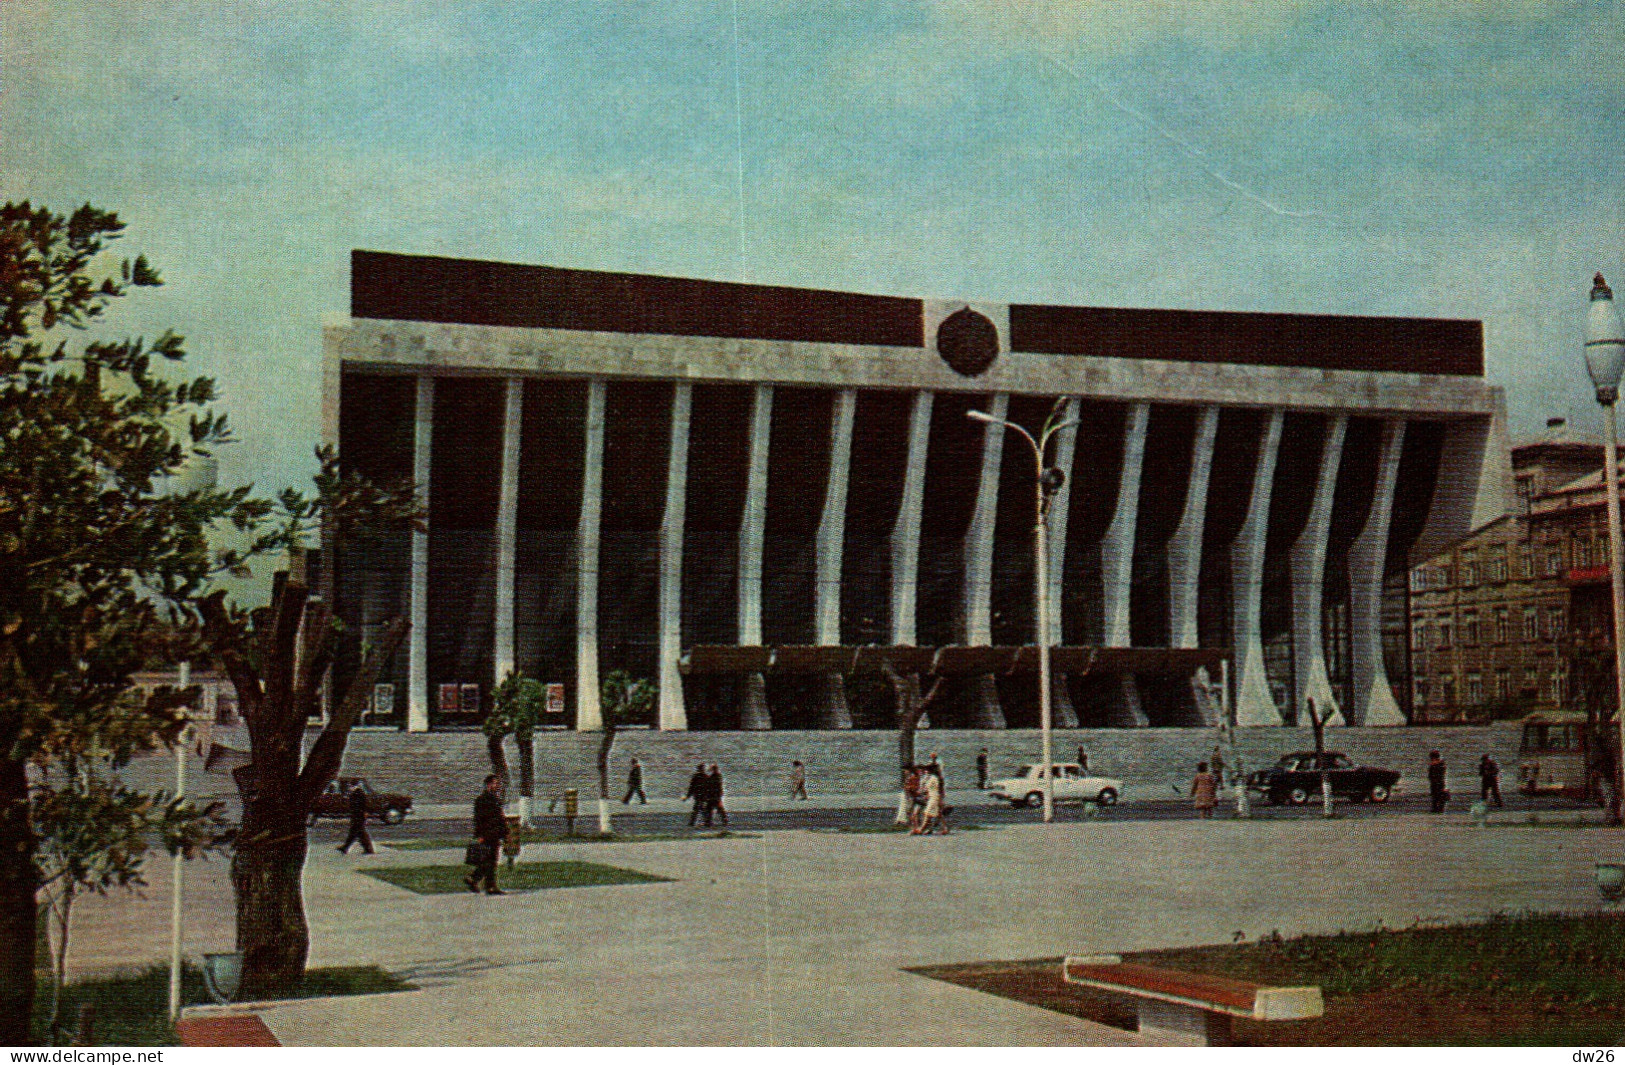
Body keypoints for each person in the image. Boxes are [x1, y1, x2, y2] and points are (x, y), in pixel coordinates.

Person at [466, 773, 507, 895]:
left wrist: (505, 832)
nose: (498, 786)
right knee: (489, 860)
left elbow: (499, 818)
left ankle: (476, 880)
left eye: (498, 783)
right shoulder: (482, 800)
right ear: (488, 785)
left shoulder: (495, 799)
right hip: (487, 835)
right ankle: (487, 885)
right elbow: (478, 819)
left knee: (490, 860)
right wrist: (480, 836)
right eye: (496, 783)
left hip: (494, 834)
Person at [338, 781, 374, 855]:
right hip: (356, 815)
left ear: (353, 786)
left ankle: (368, 849)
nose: (349, 789)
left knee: (358, 832)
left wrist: (364, 813)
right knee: (356, 832)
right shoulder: (355, 793)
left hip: (359, 815)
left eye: (350, 787)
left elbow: (363, 804)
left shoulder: (359, 793)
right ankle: (346, 847)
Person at [919, 765, 948, 835]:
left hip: (935, 797)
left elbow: (939, 788)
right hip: (931, 797)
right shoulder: (928, 778)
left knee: (927, 813)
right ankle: (944, 829)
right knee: (938, 814)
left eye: (926, 770)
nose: (925, 771)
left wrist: (941, 799)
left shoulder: (934, 778)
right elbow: (928, 789)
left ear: (930, 771)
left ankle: (921, 829)